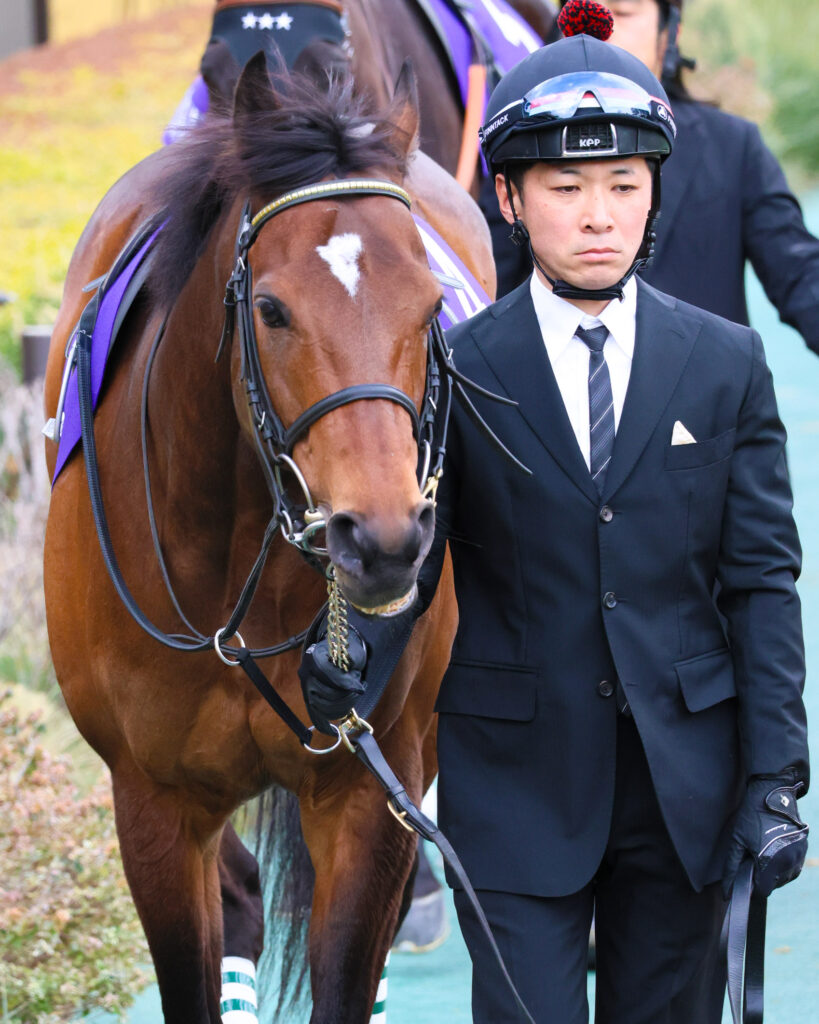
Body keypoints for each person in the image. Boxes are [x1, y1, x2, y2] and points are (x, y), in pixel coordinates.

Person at [300, 1, 810, 1019]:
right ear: (509, 197)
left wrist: (776, 782)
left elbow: (761, 583)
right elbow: (417, 557)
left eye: (624, 185)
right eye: (566, 188)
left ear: (654, 191)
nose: (598, 215)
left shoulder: (726, 364)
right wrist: (349, 654)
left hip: (686, 795)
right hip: (514, 795)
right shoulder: (457, 366)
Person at [496, 0, 819, 360]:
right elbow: (486, 281)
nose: (599, 33)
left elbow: (800, 273)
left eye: (623, 13)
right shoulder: (518, 151)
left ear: (670, 33)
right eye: (567, 187)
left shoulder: (733, 145)